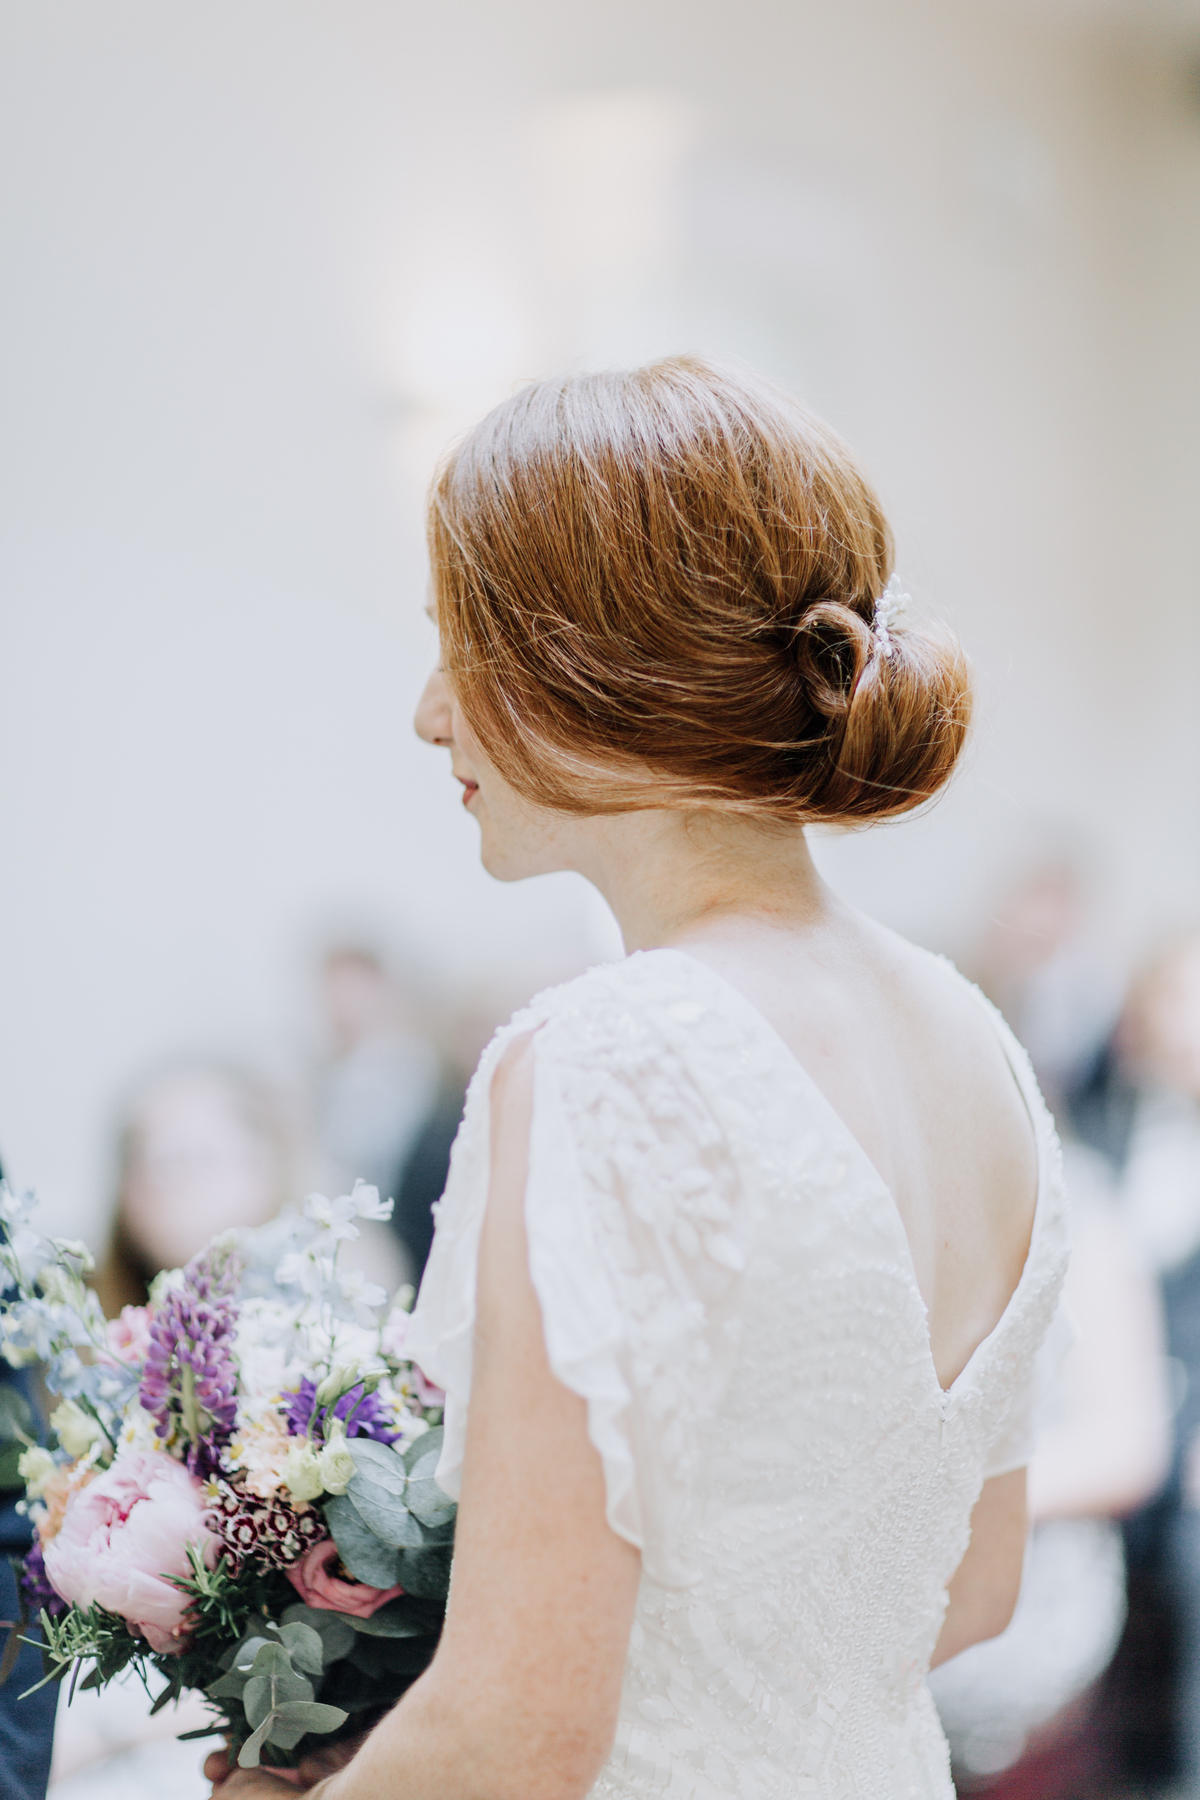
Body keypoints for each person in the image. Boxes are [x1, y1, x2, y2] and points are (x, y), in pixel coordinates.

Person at [206, 355, 1068, 1799]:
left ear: (593, 655)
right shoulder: (979, 1045)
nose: (430, 714)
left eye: (455, 646)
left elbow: (512, 1734)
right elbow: (973, 1590)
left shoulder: (612, 1057)